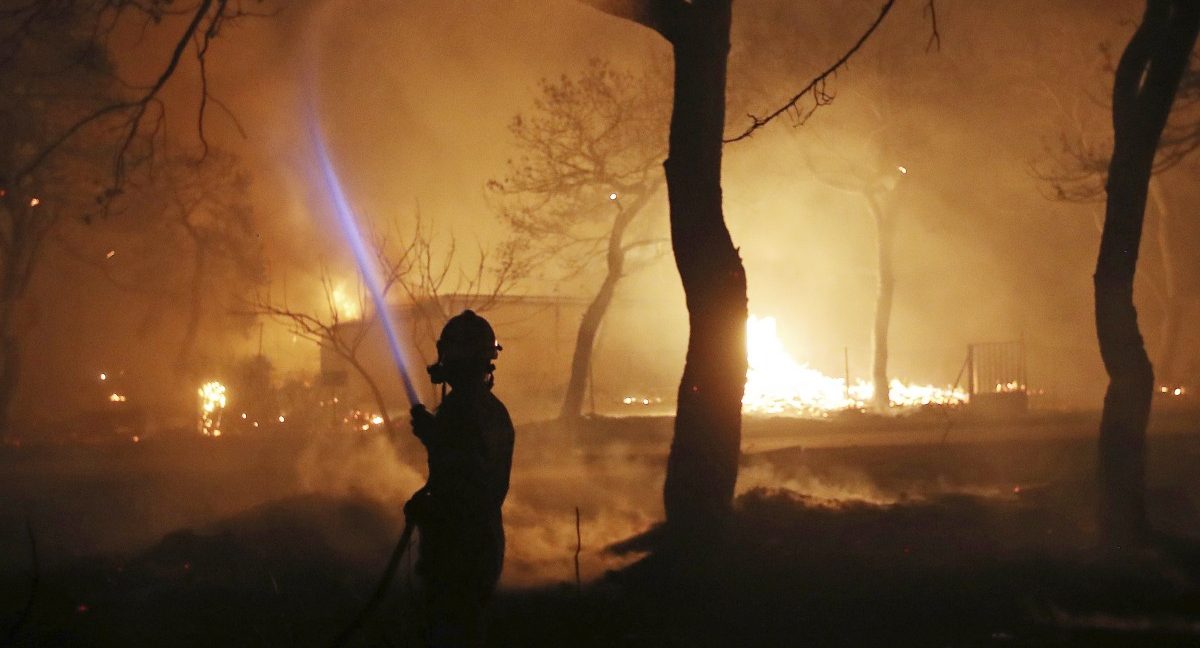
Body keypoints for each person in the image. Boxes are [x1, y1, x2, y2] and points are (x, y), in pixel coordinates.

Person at [407, 310, 514, 648]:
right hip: (482, 545)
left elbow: (463, 484)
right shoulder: (491, 409)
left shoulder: (460, 410)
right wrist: (434, 436)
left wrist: (424, 510)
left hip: (458, 553)